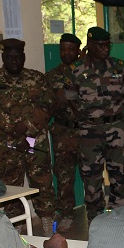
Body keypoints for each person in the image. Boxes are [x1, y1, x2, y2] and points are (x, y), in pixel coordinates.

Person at [0, 38, 57, 235]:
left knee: (43, 182)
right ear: (4, 57)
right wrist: (14, 129)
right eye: (10, 57)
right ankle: (15, 227)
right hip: (7, 144)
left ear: (23, 57)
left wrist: (27, 127)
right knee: (10, 186)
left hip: (35, 141)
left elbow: (47, 105)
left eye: (18, 57)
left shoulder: (37, 79)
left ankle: (47, 222)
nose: (14, 61)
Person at [65, 26, 124, 220]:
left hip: (116, 128)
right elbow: (71, 99)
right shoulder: (76, 69)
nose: (105, 49)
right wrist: (86, 119)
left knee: (119, 177)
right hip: (89, 132)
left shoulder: (118, 66)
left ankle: (118, 220)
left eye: (107, 44)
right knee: (91, 180)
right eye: (100, 45)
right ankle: (96, 221)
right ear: (90, 45)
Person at [45, 33, 83, 232]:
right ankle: (66, 214)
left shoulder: (87, 72)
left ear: (78, 49)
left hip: (86, 133)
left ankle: (97, 216)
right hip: (63, 132)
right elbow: (46, 105)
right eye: (63, 48)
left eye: (70, 48)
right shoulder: (52, 76)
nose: (66, 52)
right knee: (64, 177)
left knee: (91, 176)